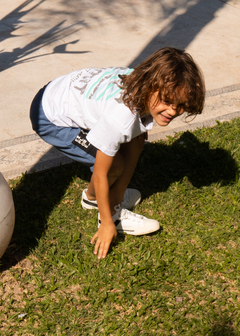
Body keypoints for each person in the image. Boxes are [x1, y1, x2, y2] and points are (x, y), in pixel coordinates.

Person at [30, 47, 205, 259]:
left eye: (181, 106)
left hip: (58, 91)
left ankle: (115, 199)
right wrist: (106, 224)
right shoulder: (119, 118)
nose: (173, 111)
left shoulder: (142, 81)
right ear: (151, 86)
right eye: (167, 102)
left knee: (137, 137)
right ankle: (98, 204)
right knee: (113, 165)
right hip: (50, 117)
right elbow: (102, 173)